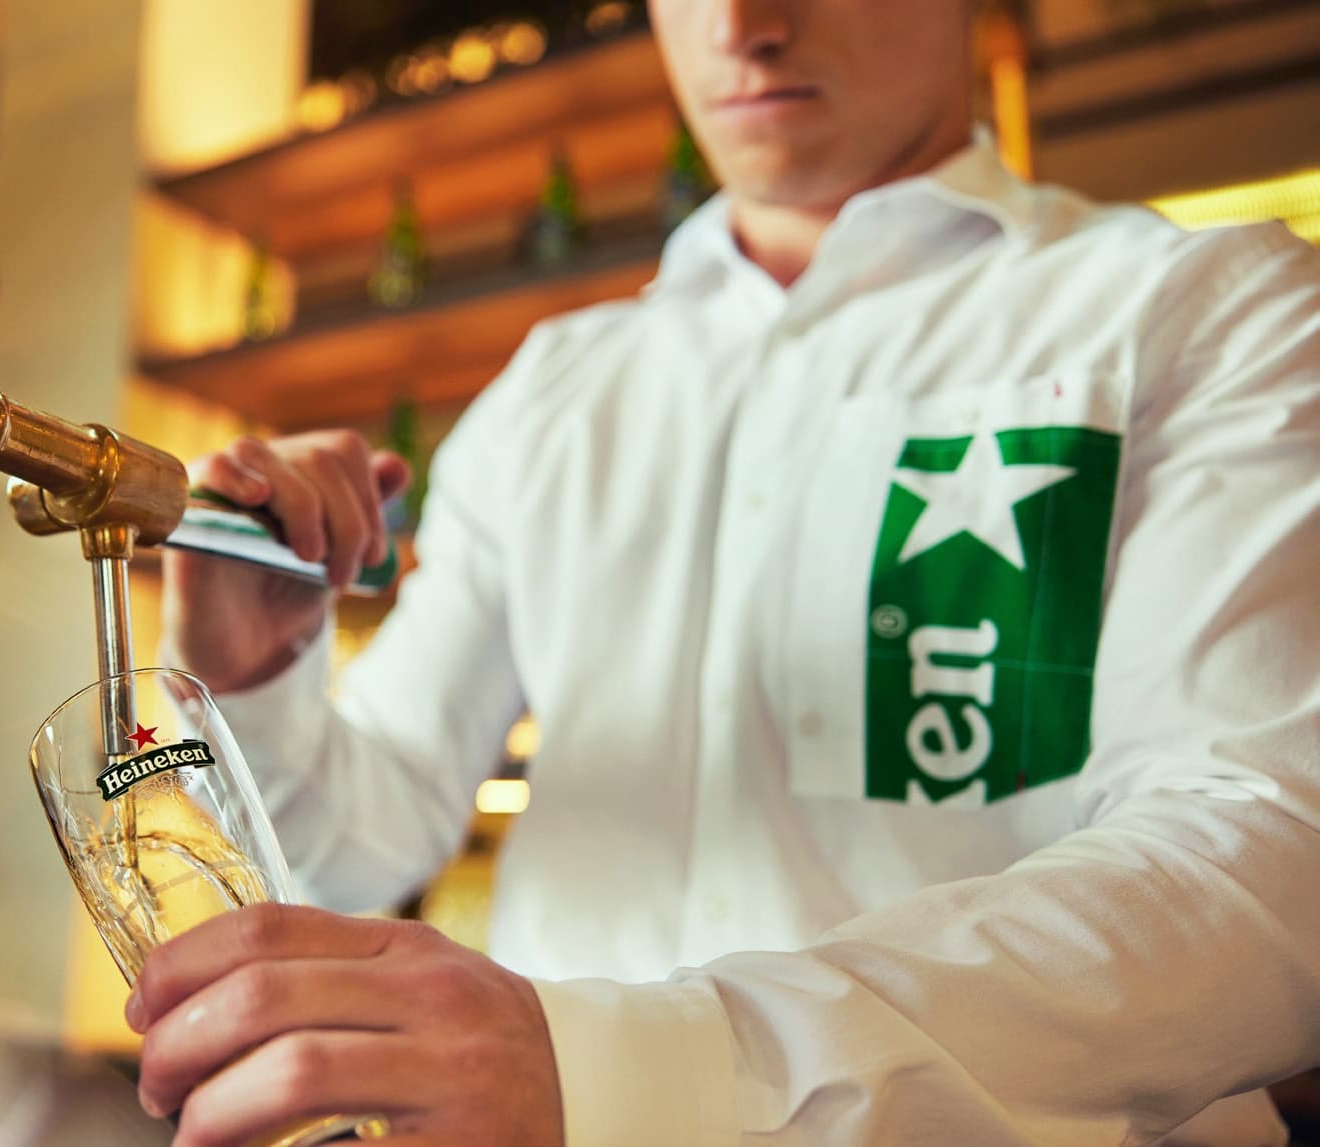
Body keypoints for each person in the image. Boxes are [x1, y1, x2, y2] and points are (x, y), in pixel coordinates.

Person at [128, 0, 1320, 1143]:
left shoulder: (1198, 311)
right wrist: (256, 673)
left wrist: (634, 1071)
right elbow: (362, 837)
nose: (739, 22)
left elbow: (1266, 853)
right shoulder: (557, 387)